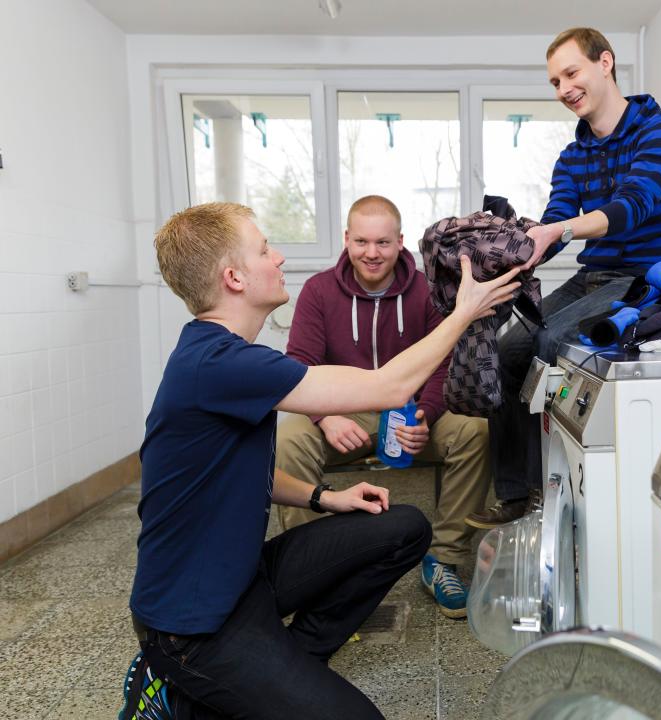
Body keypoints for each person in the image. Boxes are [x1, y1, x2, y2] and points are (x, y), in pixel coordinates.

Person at [121, 202, 519, 720]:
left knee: (401, 527)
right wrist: (463, 312)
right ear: (234, 277)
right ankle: (179, 691)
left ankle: (289, 665)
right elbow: (388, 387)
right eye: (265, 249)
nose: (280, 257)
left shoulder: (219, 354)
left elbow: (235, 472)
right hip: (192, 626)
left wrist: (325, 497)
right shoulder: (219, 364)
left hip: (243, 580)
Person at [466, 27, 661, 529]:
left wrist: (556, 230)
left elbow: (630, 208)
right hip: (596, 276)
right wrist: (507, 244)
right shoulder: (573, 156)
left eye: (571, 73)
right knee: (506, 352)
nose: (564, 88)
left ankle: (557, 490)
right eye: (554, 82)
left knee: (550, 340)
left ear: (605, 63)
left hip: (650, 279)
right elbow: (557, 219)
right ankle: (517, 495)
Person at [275, 195, 491, 619]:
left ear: (401, 242)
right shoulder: (318, 291)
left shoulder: (428, 290)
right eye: (361, 241)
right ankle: (309, 570)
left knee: (475, 431)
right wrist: (325, 416)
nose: (371, 253)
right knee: (288, 439)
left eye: (382, 242)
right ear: (346, 240)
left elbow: (443, 362)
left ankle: (443, 559)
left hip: (408, 410)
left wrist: (427, 414)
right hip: (343, 412)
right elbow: (300, 365)